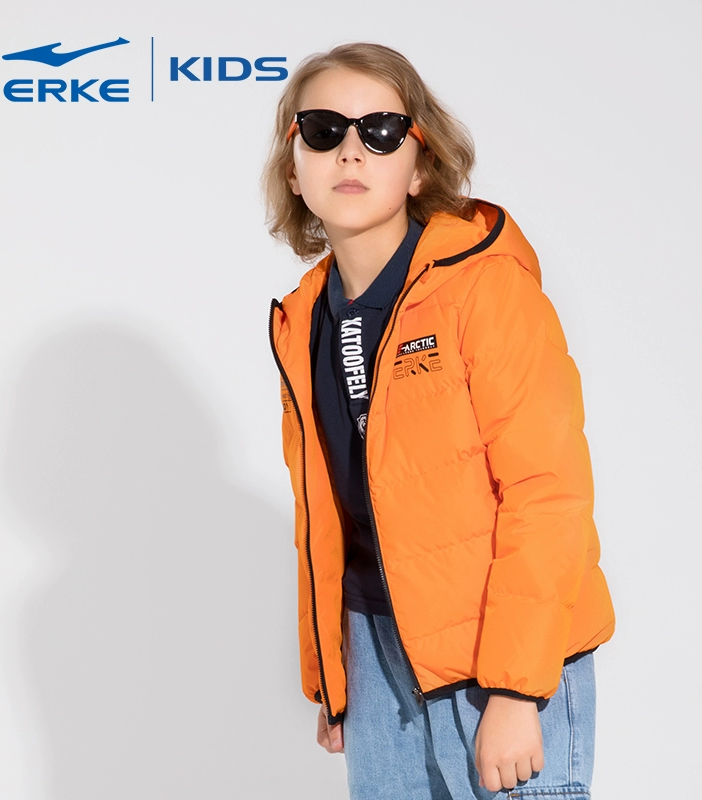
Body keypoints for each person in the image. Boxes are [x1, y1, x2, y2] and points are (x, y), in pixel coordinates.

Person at [264, 42, 616, 800]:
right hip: (376, 658)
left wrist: (516, 690)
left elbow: (547, 494)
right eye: (322, 130)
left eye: (381, 131)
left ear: (420, 165)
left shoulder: (485, 291)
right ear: (294, 166)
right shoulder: (304, 319)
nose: (350, 151)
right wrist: (333, 673)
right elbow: (331, 515)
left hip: (499, 655)